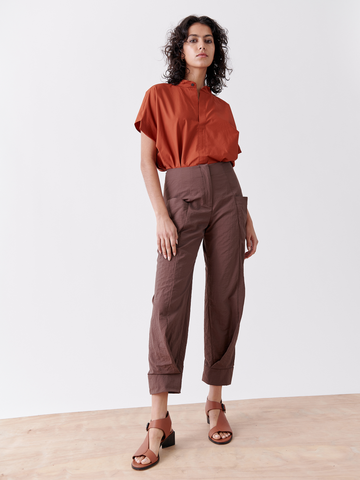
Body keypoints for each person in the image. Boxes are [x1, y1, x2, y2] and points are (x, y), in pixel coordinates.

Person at [131, 15, 258, 471]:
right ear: (180, 49)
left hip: (227, 198)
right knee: (168, 300)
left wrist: (246, 216)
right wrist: (161, 215)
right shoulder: (158, 97)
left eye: (208, 41)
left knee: (226, 295)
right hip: (180, 198)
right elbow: (147, 163)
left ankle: (215, 401)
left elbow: (227, 166)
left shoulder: (222, 108)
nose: (200, 46)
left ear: (215, 51)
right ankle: (158, 421)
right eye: (192, 40)